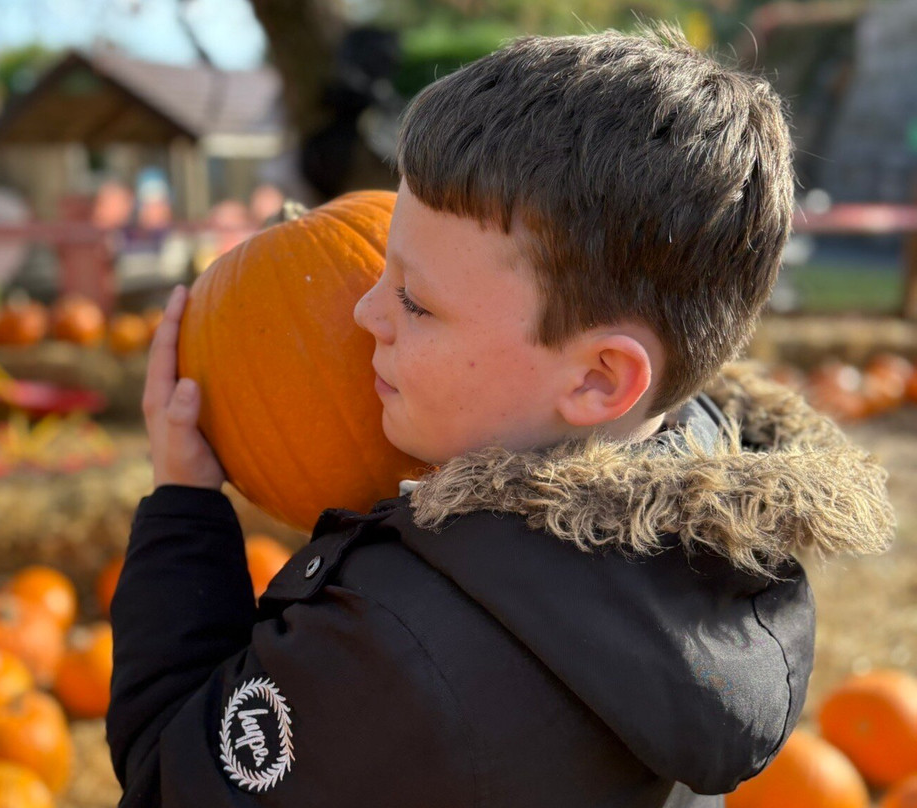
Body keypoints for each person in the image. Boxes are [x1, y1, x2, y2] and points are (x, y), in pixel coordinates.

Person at [106, 27, 895, 808]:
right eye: (382, 266)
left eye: (415, 299)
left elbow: (168, 782)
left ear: (598, 379)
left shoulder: (395, 653)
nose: (364, 310)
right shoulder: (706, 535)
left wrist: (183, 507)